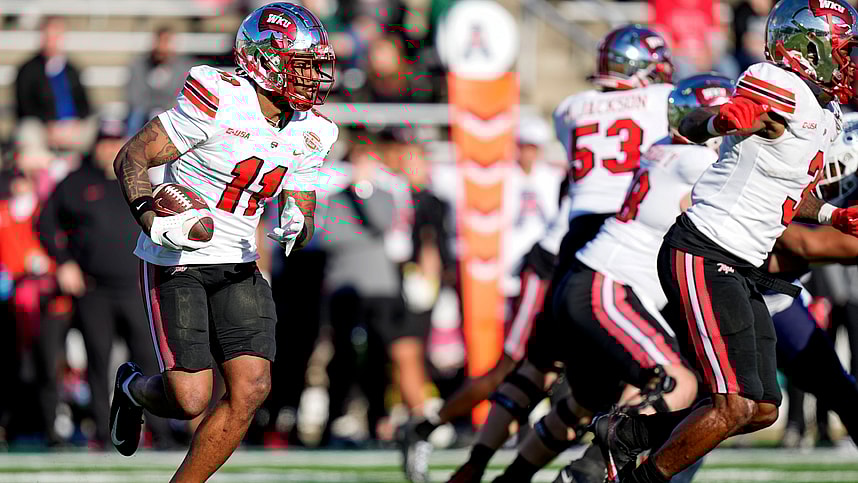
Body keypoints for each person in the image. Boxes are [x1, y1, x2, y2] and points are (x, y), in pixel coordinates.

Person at [599, 1, 858, 481]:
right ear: (806, 49)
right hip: (704, 250)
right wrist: (719, 121)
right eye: (844, 51)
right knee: (733, 405)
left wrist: (831, 214)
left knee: (761, 410)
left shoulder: (824, 114)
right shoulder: (780, 86)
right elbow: (690, 126)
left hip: (743, 267)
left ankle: (627, 434)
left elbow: (788, 194)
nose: (850, 62)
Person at [108, 3, 338, 482]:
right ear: (266, 60)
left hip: (238, 260)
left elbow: (302, 196)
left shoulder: (313, 129)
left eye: (316, 65)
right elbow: (133, 155)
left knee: (251, 387)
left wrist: (300, 218)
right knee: (189, 399)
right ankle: (133, 389)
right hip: (179, 256)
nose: (314, 77)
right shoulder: (220, 96)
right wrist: (151, 218)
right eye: (303, 64)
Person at [442, 24, 676, 483]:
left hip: (574, 240)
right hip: (625, 234)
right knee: (648, 371)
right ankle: (594, 467)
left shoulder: (570, 109)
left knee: (539, 368)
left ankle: (478, 463)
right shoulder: (662, 99)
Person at [36, 120, 177, 450]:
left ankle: (161, 431)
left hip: (135, 286)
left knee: (150, 358)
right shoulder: (75, 183)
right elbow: (45, 223)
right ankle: (103, 430)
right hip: (93, 288)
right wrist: (64, 262)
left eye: (117, 141)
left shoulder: (139, 181)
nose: (109, 148)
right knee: (98, 361)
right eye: (105, 142)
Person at [14, 16, 93, 152]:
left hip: (73, 129)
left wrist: (76, 123)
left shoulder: (72, 69)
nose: (52, 41)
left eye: (56, 36)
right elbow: (25, 107)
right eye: (49, 36)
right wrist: (49, 125)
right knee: (27, 131)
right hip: (43, 129)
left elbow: (84, 104)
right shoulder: (28, 70)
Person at [126, 27, 194, 133]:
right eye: (159, 41)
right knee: (135, 115)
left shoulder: (184, 68)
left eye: (166, 42)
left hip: (172, 113)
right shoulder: (139, 65)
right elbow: (135, 96)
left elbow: (182, 97)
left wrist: (163, 111)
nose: (162, 47)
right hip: (144, 112)